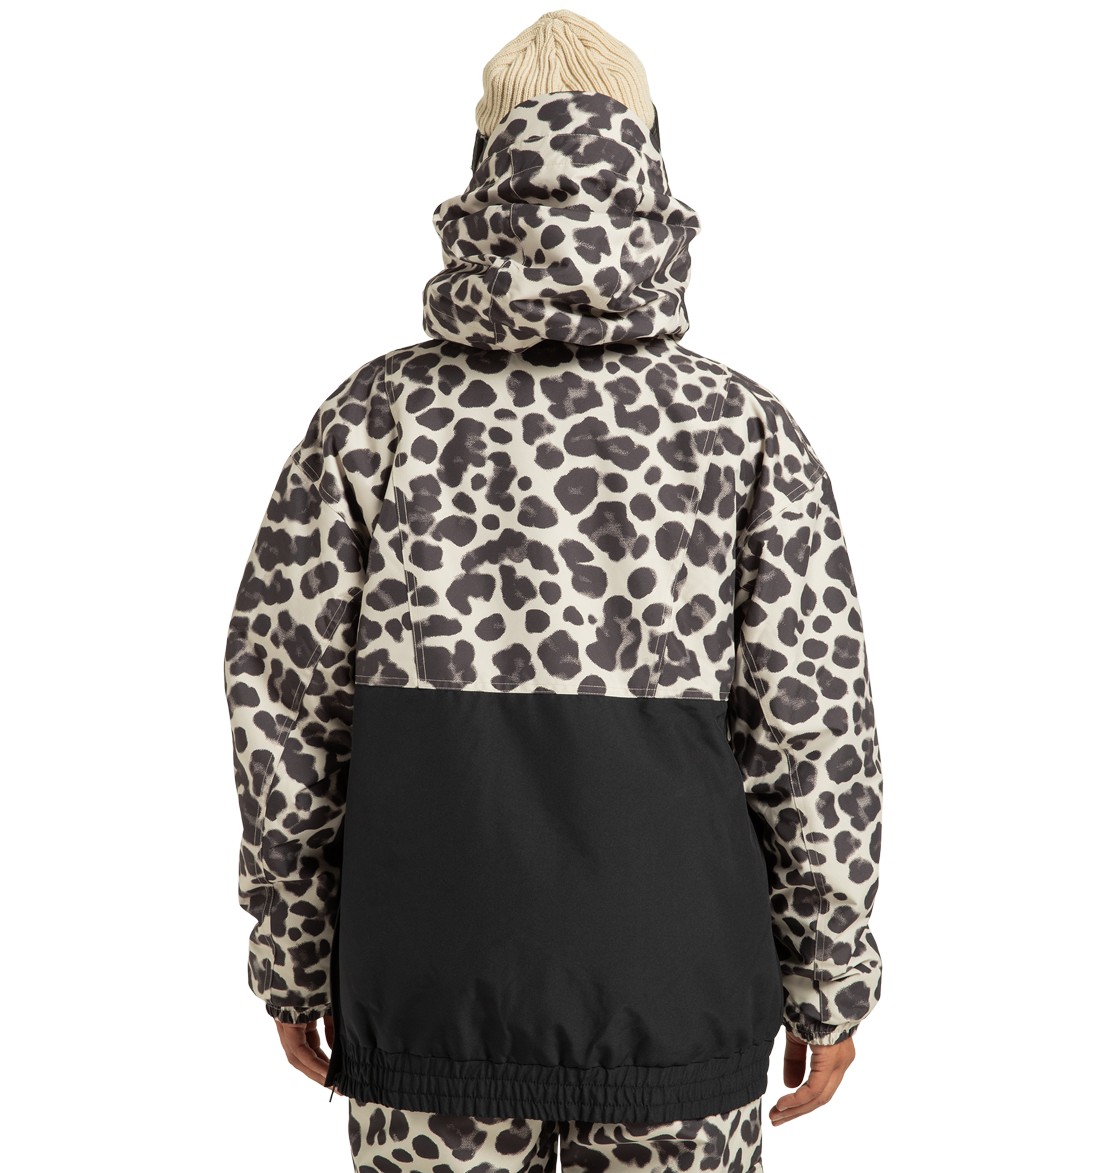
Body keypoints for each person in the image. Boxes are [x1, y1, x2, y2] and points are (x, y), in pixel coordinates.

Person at [224, 12, 883, 1173]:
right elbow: (812, 727)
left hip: (428, 989)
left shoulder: (371, 419)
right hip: (679, 996)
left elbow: (285, 713)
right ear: (650, 166)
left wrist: (290, 953)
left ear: (485, 170)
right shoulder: (742, 430)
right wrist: (830, 974)